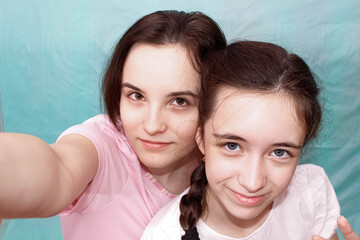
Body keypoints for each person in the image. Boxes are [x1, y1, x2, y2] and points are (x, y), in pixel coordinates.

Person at [0, 10, 226, 239]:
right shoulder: (104, 149)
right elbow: (58, 168)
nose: (152, 125)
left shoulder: (234, 170)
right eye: (137, 96)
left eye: (179, 101)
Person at [141, 40, 344, 239]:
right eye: (232, 146)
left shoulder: (310, 192)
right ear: (201, 139)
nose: (253, 182)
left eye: (279, 152)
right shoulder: (163, 234)